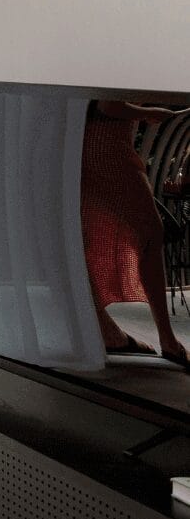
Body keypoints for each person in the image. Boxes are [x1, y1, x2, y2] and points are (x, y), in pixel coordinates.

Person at [81, 99, 190, 371]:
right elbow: (105, 102)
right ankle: (167, 339)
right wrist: (148, 113)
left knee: (86, 235)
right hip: (107, 146)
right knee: (151, 233)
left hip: (93, 144)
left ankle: (107, 331)